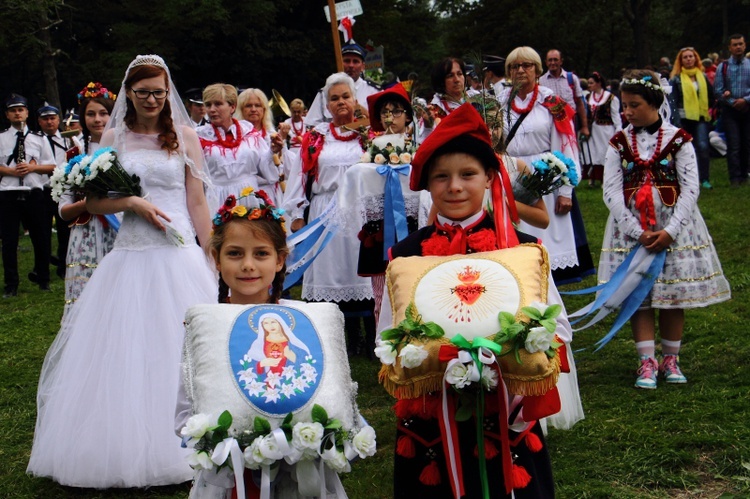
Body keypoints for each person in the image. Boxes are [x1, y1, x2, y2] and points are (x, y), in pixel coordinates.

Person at [27, 54, 217, 487]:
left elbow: (197, 201)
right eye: (144, 92)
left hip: (178, 250)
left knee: (187, 344)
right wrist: (131, 202)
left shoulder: (185, 136)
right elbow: (92, 202)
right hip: (131, 252)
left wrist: (211, 254)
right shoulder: (114, 136)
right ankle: (127, 445)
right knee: (129, 347)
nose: (152, 99)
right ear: (129, 94)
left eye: (159, 92)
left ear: (168, 94)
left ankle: (197, 437)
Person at [383, 103, 569, 498]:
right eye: (441, 177)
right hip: (432, 415)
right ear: (428, 186)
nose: (454, 187)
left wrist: (518, 378)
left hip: (506, 410)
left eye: (468, 174)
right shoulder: (407, 256)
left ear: (489, 177)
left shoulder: (521, 249)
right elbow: (390, 334)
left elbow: (558, 329)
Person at [600, 70, 731, 389]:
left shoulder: (679, 140)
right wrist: (634, 230)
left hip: (675, 230)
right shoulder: (619, 143)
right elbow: (611, 191)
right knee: (639, 296)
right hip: (633, 232)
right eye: (625, 106)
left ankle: (671, 358)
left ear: (655, 103)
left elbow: (690, 188)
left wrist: (671, 230)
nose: (627, 112)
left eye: (634, 105)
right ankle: (646, 360)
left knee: (671, 295)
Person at [283, 72, 374, 356]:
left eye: (345, 96)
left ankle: (372, 337)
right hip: (325, 212)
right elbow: (299, 175)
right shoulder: (315, 138)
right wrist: (297, 213)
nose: (341, 102)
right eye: (334, 98)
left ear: (354, 99)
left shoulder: (368, 133)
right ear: (326, 104)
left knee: (364, 272)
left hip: (362, 211)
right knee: (331, 272)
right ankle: (342, 338)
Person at [497, 46, 595, 285]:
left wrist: (565, 191)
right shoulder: (498, 103)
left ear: (537, 70)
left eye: (526, 65)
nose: (520, 70)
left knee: (547, 236)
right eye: (514, 66)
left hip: (544, 174)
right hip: (511, 171)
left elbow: (567, 145)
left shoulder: (553, 102)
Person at [57, 83, 118, 315]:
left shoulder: (126, 148)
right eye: (90, 114)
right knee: (87, 295)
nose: (97, 119)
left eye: (103, 113)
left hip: (120, 229)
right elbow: (63, 210)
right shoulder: (75, 154)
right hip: (86, 234)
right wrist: (89, 204)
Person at [0, 93, 55, 297]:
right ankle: (11, 284)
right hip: (9, 193)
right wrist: (11, 171)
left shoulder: (38, 139)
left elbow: (52, 166)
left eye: (20, 109)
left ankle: (43, 279)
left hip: (33, 192)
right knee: (9, 241)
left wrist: (33, 168)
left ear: (27, 113)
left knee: (41, 237)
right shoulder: (2, 138)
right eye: (13, 110)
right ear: (7, 114)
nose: (17, 113)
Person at [196, 83, 277, 215]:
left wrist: (272, 151)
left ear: (232, 107)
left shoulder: (248, 132)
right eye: (208, 104)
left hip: (248, 194)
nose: (211, 109)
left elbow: (264, 168)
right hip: (217, 197)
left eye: (218, 104)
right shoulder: (199, 136)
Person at [669, 47, 715, 190]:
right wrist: (676, 121)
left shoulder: (703, 76)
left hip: (700, 117)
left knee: (703, 146)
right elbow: (673, 102)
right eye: (685, 57)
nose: (689, 59)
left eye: (691, 56)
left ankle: (704, 178)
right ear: (680, 61)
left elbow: (711, 96)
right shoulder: (676, 79)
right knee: (684, 149)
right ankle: (685, 179)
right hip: (683, 118)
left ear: (696, 58)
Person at [305, 41, 379, 127]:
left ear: (363, 66)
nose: (351, 65)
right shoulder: (324, 93)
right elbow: (312, 125)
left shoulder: (374, 92)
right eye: (347, 61)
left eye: (355, 61)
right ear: (339, 63)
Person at [36, 103, 71, 280]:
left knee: (65, 231)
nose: (49, 122)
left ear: (58, 120)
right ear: (39, 121)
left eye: (52, 118)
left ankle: (64, 266)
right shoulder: (34, 139)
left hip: (64, 190)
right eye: (45, 119)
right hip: (44, 189)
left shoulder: (68, 139)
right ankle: (42, 269)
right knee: (43, 232)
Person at [236, 88, 283, 205]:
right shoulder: (235, 137)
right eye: (248, 106)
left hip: (272, 193)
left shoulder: (272, 134)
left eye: (257, 105)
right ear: (241, 109)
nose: (253, 109)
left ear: (264, 109)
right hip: (247, 193)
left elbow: (285, 168)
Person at [714, 34, 750, 186]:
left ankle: (745, 173)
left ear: (745, 45)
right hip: (730, 111)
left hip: (748, 109)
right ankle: (735, 177)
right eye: (735, 44)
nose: (738, 47)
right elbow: (717, 90)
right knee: (733, 144)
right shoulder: (723, 67)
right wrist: (731, 101)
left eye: (740, 44)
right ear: (730, 47)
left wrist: (745, 100)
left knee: (747, 143)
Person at [539, 49, 590, 139]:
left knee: (572, 149)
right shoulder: (541, 81)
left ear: (561, 61)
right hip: (551, 123)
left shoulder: (572, 79)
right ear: (546, 62)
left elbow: (579, 103)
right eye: (550, 60)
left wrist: (585, 127)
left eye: (555, 60)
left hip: (571, 121)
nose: (553, 63)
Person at [585, 72, 622, 186]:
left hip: (606, 130)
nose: (589, 85)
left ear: (599, 83)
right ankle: (592, 178)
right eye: (588, 83)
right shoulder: (588, 97)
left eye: (591, 83)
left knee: (604, 153)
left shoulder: (610, 98)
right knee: (593, 152)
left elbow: (616, 116)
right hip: (593, 130)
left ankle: (605, 179)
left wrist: (618, 130)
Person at [428, 57, 467, 122]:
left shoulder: (478, 102)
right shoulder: (434, 111)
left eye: (459, 74)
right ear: (441, 81)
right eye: (450, 76)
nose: (457, 80)